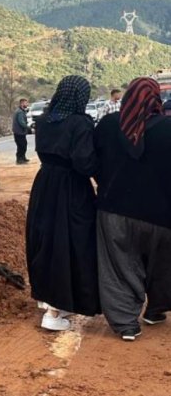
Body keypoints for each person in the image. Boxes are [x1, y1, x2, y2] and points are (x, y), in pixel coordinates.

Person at [93, 77, 171, 341]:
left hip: (114, 210)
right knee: (164, 265)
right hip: (163, 215)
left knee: (119, 266)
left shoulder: (107, 125)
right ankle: (156, 310)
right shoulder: (168, 128)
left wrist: (105, 185)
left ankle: (126, 324)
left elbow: (92, 162)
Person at [25, 75, 100, 331]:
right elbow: (84, 162)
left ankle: (49, 299)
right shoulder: (80, 123)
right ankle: (56, 310)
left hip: (45, 185)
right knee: (73, 242)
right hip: (71, 189)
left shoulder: (43, 120)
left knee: (46, 240)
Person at [12, 98, 30, 164]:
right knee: (21, 146)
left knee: (23, 145)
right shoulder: (19, 112)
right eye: (26, 103)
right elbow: (21, 122)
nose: (27, 104)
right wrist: (29, 128)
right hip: (19, 132)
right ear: (22, 103)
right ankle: (19, 159)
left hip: (20, 132)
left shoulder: (21, 111)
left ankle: (23, 158)